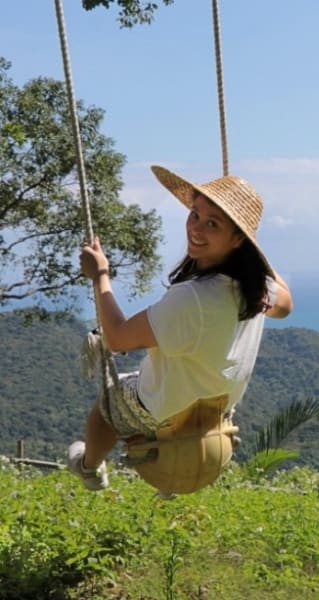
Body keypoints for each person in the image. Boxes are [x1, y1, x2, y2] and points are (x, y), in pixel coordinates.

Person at [67, 165, 293, 491]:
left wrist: (100, 275)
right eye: (195, 215)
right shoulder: (257, 288)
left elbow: (116, 338)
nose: (196, 228)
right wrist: (251, 248)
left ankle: (89, 468)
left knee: (108, 406)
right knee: (145, 374)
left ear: (237, 238)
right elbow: (286, 305)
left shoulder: (193, 298)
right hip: (217, 403)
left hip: (172, 410)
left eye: (212, 223)